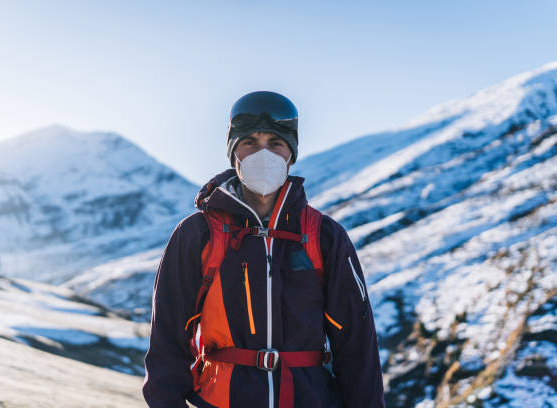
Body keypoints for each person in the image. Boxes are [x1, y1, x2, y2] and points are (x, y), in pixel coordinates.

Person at [143, 91, 385, 408]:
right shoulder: (198, 234)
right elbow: (168, 338)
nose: (263, 154)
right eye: (250, 143)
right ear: (234, 153)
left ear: (290, 153)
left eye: (275, 143)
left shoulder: (324, 236)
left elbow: (356, 344)